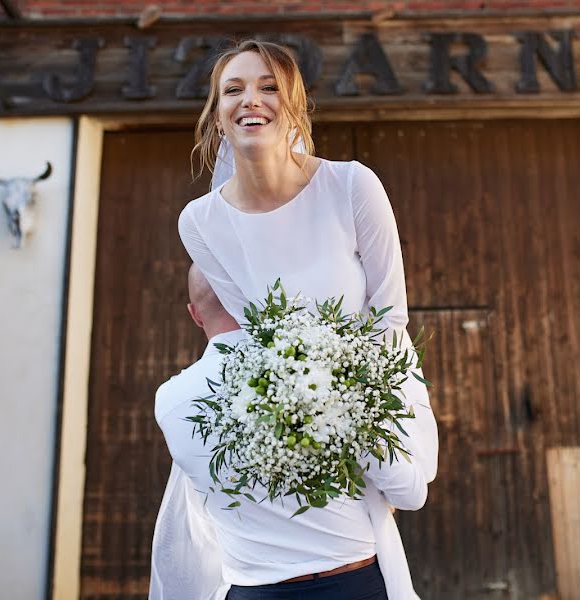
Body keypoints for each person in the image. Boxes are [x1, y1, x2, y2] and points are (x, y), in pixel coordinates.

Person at [161, 39, 439, 599]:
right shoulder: (201, 222)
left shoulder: (352, 185)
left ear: (293, 106)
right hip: (292, 404)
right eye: (232, 90)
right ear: (216, 114)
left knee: (406, 494)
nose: (250, 100)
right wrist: (299, 412)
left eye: (268, 87)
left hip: (370, 388)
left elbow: (389, 316)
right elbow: (255, 339)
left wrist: (359, 410)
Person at [151, 266, 431, 600]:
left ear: (195, 314)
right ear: (257, 292)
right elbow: (408, 493)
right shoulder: (316, 366)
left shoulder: (170, 402)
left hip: (253, 590)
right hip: (351, 584)